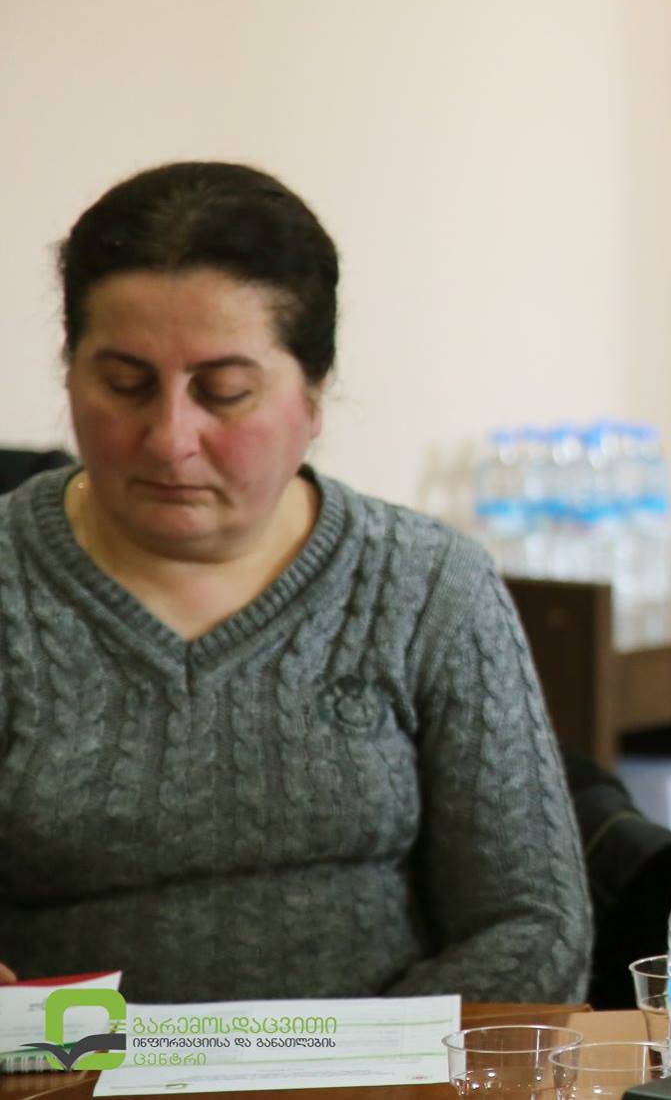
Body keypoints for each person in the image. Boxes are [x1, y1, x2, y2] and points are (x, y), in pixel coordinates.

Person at [0, 162, 592, 1003]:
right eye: (126, 385)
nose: (170, 437)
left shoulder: (428, 586)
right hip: (71, 1066)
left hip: (388, 1067)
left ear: (313, 398)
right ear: (70, 373)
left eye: (225, 392)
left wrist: (361, 1061)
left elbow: (534, 924)